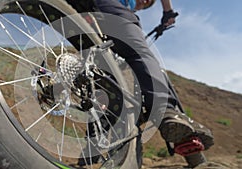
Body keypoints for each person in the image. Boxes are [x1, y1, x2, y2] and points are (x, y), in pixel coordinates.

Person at [87, 0, 214, 167]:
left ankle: (89, 152)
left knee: (97, 84)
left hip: (81, 15)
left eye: (145, 5)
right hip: (105, 9)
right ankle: (166, 111)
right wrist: (167, 11)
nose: (144, 2)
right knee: (140, 55)